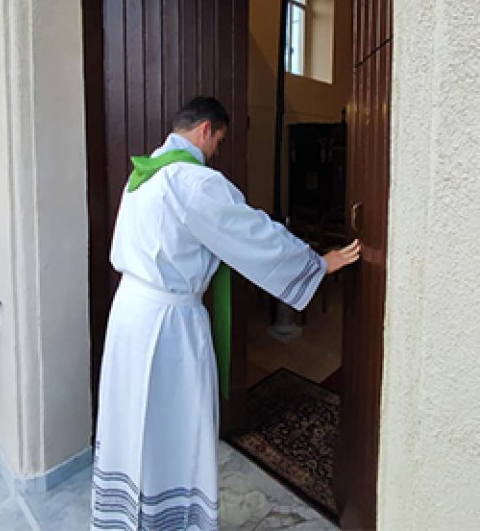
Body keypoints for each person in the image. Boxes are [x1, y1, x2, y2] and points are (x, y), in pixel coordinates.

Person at [90, 96, 361, 531]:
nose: (218, 150)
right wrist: (317, 263)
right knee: (175, 421)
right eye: (220, 140)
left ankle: (130, 516)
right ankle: (172, 520)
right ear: (205, 130)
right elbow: (251, 231)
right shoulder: (194, 181)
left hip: (129, 316)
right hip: (168, 324)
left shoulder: (140, 177)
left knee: (133, 416)